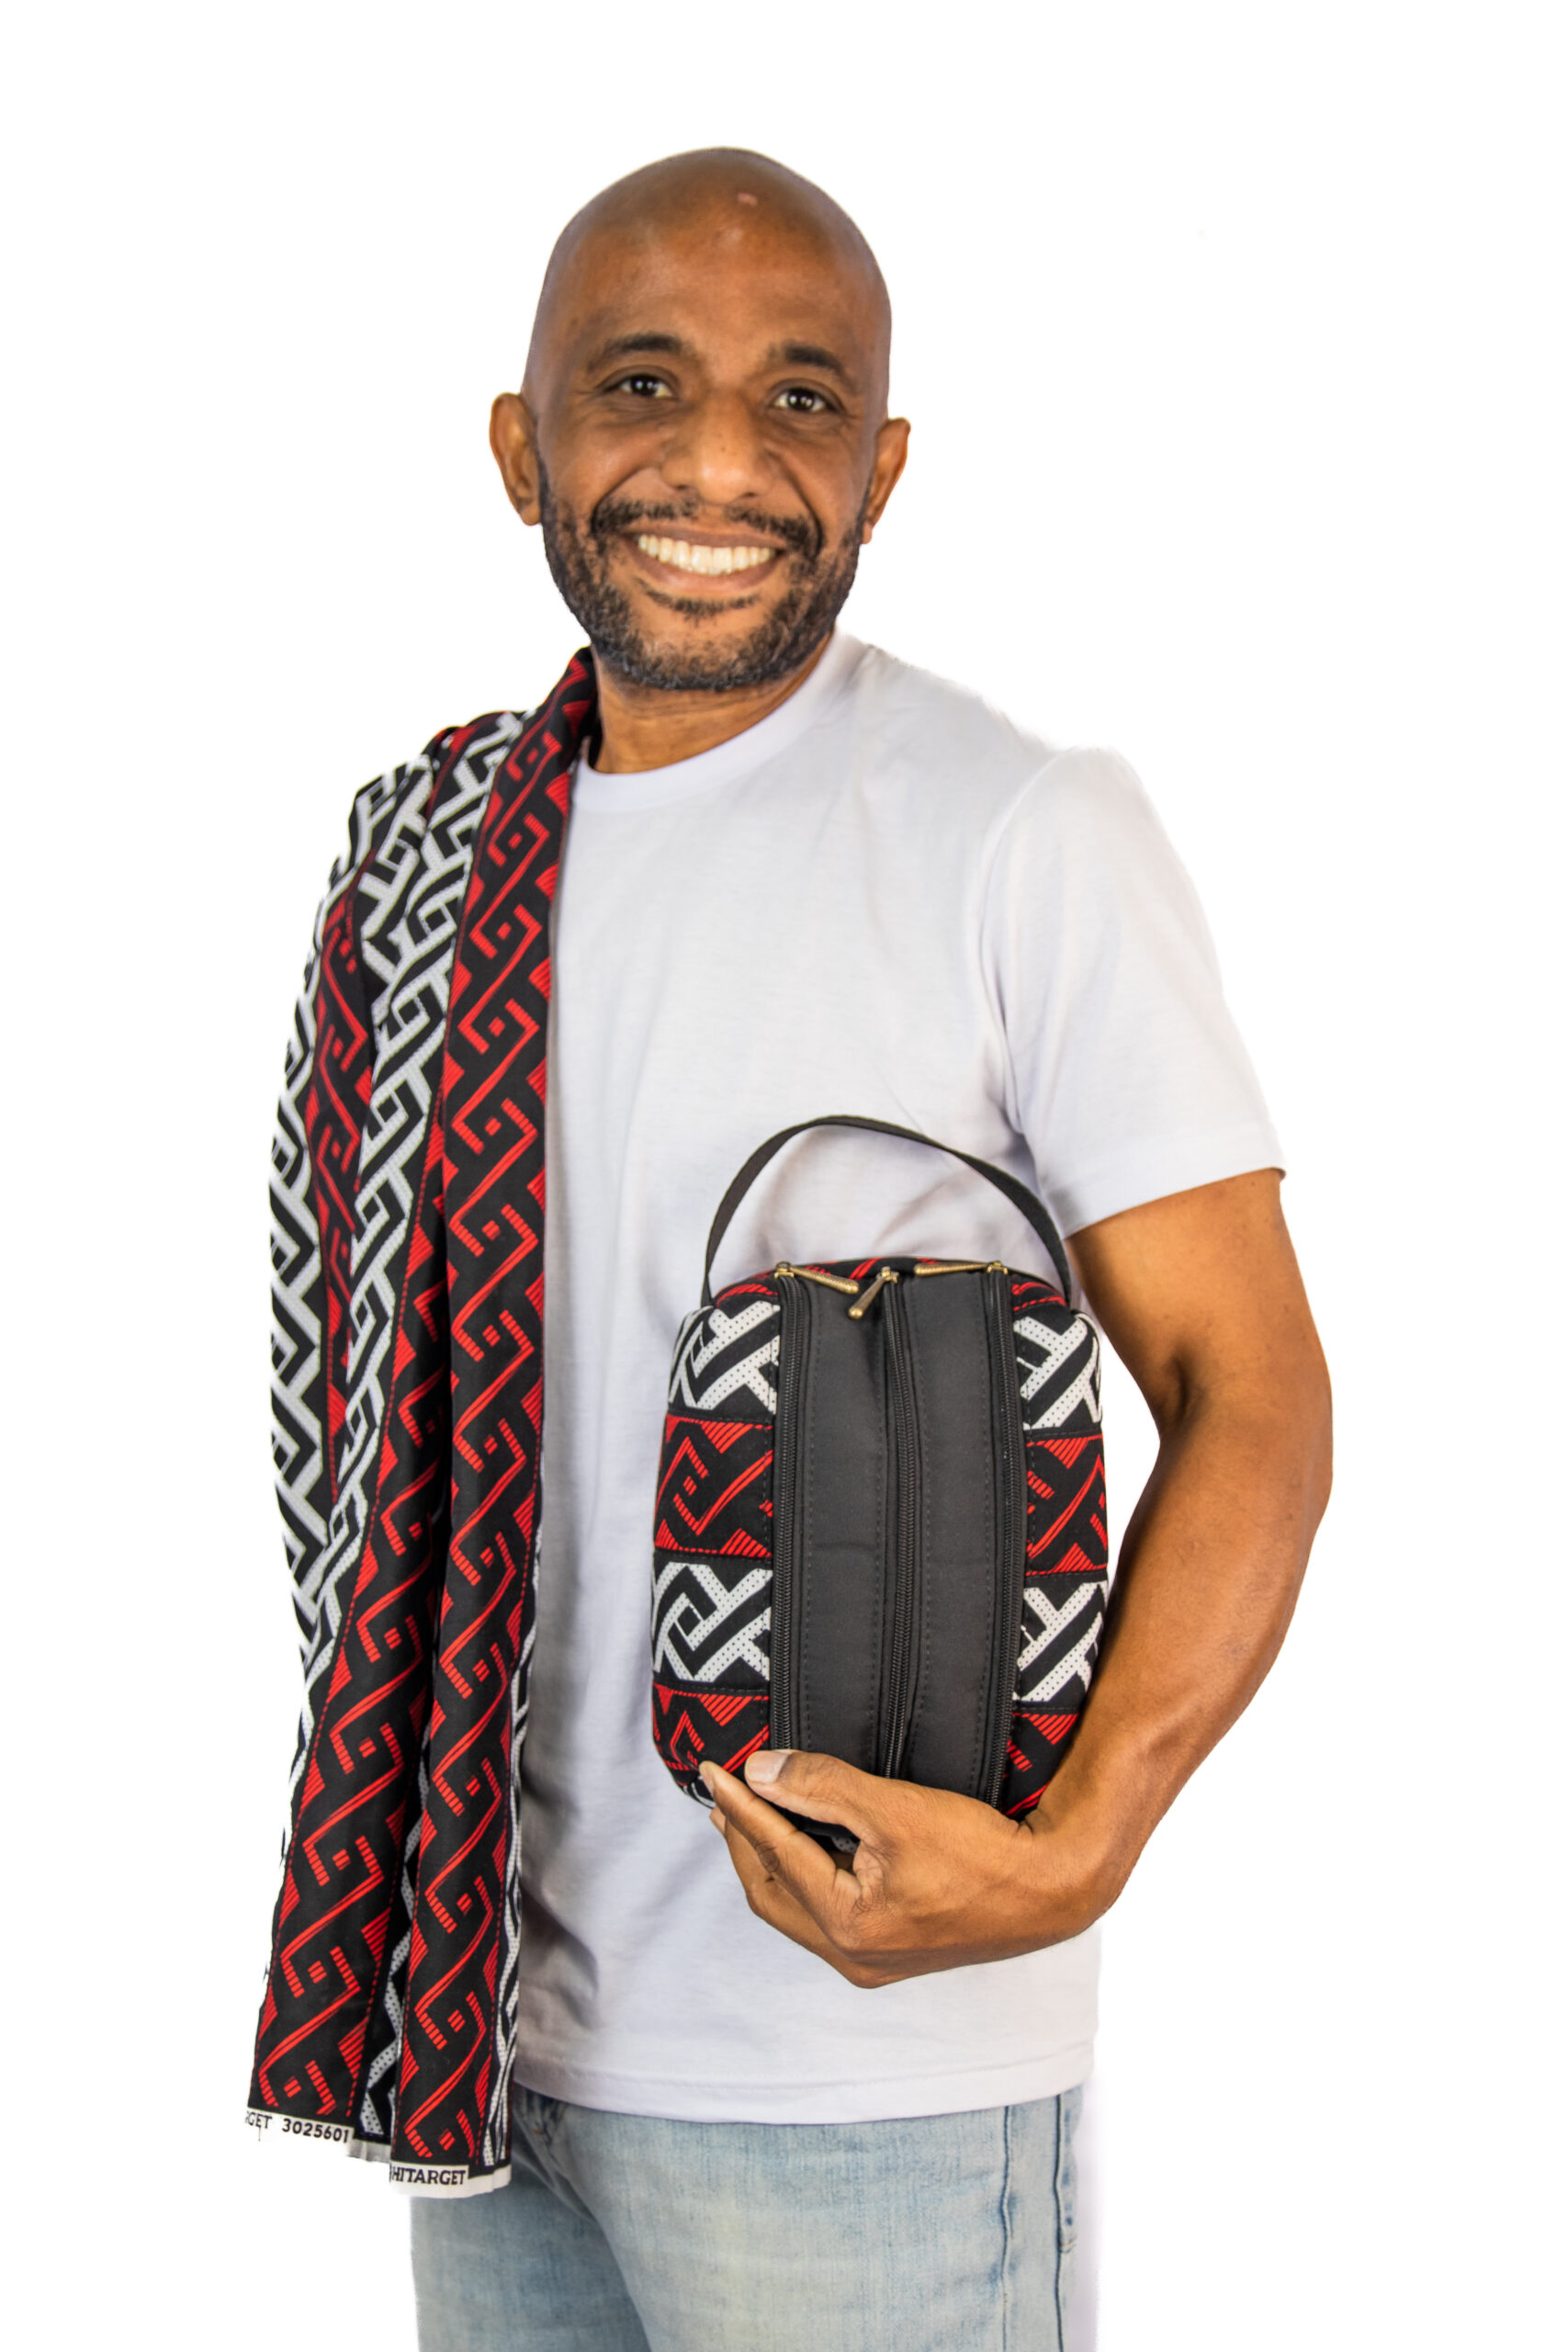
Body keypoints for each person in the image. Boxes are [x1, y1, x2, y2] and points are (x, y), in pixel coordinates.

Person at [251, 147, 1331, 2352]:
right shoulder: (426, 859)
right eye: (641, 383)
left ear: (882, 469)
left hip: (868, 2066)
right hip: (484, 2027)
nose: (720, 462)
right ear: (521, 447)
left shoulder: (1011, 829)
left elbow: (1252, 1391)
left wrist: (1079, 1841)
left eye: (803, 398)